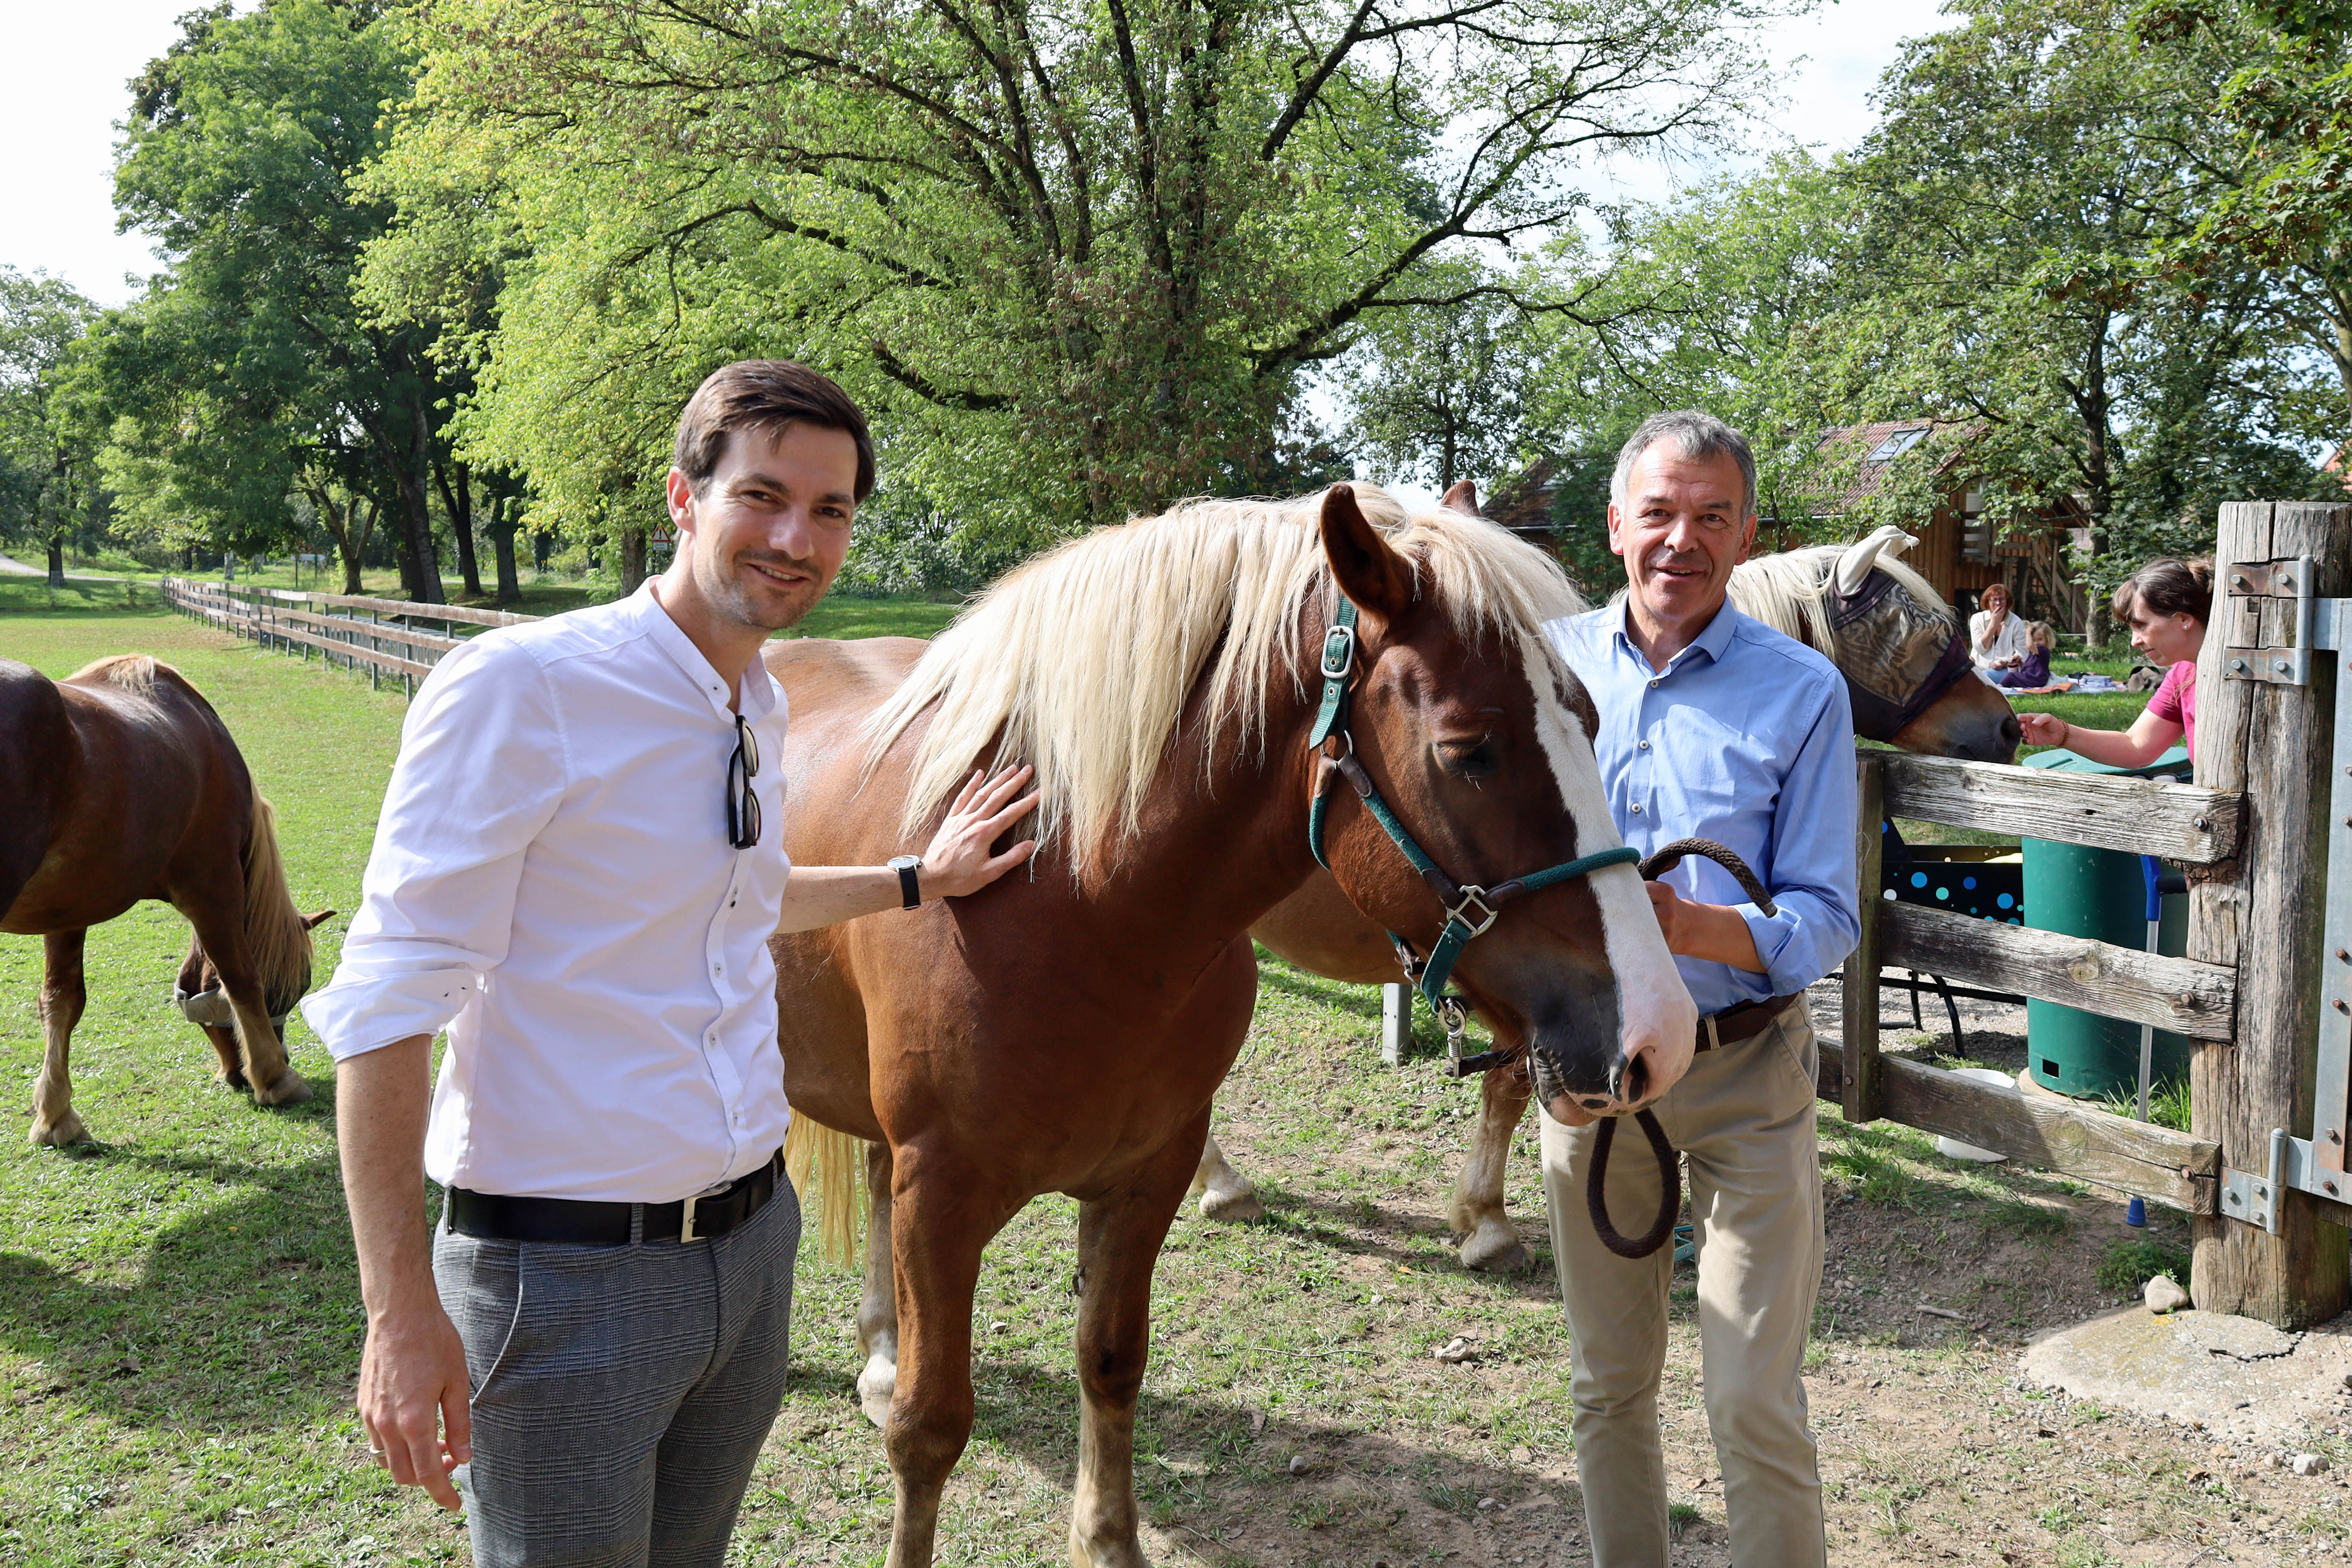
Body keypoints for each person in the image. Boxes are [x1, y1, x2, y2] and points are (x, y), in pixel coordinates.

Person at [304, 360, 1041, 1567]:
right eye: (764, 496)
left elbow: (736, 893)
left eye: (832, 510)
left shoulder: (755, 702)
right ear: (683, 499)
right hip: (562, 1275)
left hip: (750, 1257)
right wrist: (396, 1314)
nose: (797, 538)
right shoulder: (524, 688)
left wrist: (918, 878)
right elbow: (387, 1004)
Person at [1540, 410, 1859, 1568]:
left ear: (1744, 532)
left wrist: (1686, 923)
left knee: (1750, 1401)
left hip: (1742, 1076)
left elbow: (1825, 915)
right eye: (1660, 512)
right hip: (1591, 1077)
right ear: (1615, 523)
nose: (1683, 539)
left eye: (1711, 516)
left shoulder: (1801, 692)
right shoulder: (1545, 661)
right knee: (1605, 1384)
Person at [2016, 557, 2211, 765]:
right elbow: (2136, 747)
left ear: (2184, 619)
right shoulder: (2183, 674)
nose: (2134, 641)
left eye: (2141, 626)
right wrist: (2060, 734)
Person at [1968, 581, 2032, 679]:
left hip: (2006, 670)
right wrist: (1993, 623)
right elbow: (1980, 649)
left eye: (2002, 600)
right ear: (1988, 602)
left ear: (2007, 602)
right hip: (1978, 668)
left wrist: (2005, 663)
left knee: (1986, 677)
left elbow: (2023, 654)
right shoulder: (1977, 619)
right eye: (1994, 600)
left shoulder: (2016, 622)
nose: (1998, 603)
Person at [1995, 620, 2054, 690]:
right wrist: (2021, 664)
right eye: (2033, 640)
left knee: (2011, 676)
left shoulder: (2044, 651)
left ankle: (1999, 689)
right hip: (2032, 679)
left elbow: (2029, 646)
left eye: (2040, 639)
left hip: (2037, 680)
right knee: (2013, 676)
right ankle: (2002, 687)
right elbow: (2030, 669)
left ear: (2047, 639)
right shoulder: (2033, 654)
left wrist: (2028, 632)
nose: (2036, 643)